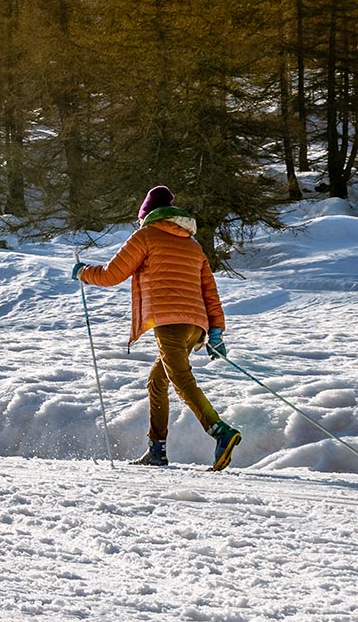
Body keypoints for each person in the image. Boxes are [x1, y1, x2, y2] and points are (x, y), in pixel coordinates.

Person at [73, 185, 241, 470]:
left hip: (169, 323)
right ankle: (156, 450)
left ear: (146, 216)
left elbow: (113, 274)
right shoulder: (193, 245)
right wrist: (215, 331)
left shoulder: (146, 236)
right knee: (157, 380)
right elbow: (210, 292)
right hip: (195, 326)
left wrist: (83, 273)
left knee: (181, 380)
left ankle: (220, 431)